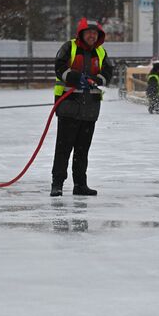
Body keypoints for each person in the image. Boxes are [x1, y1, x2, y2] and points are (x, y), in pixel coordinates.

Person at [50, 18, 113, 197]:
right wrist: (77, 78)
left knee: (82, 150)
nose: (92, 36)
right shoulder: (69, 47)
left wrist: (97, 80)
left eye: (95, 33)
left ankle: (80, 185)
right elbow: (59, 67)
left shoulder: (101, 52)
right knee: (63, 148)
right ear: (81, 34)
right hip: (68, 107)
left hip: (90, 110)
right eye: (89, 32)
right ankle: (57, 184)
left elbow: (108, 72)